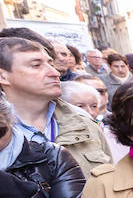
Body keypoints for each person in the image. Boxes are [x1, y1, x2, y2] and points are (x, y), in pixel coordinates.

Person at [0, 36, 111, 177]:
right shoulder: (3, 129)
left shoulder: (82, 120)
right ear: (3, 76)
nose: (55, 73)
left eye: (51, 64)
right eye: (36, 65)